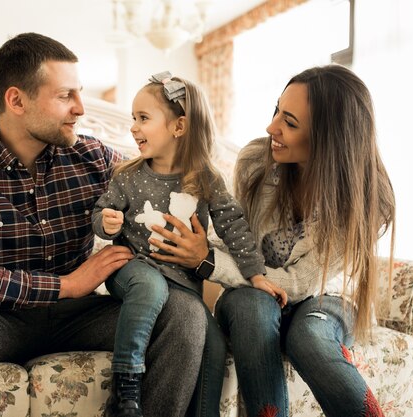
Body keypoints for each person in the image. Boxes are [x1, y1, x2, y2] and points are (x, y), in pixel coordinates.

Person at [0, 33, 208, 417]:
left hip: (79, 317)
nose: (81, 108)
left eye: (79, 93)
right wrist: (65, 285)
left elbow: (169, 178)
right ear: (16, 100)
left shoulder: (94, 157)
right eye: (65, 96)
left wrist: (200, 255)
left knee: (183, 313)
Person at [147, 65, 395, 416]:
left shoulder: (363, 199)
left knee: (309, 338)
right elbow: (233, 240)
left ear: (330, 138)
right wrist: (202, 249)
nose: (271, 127)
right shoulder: (254, 163)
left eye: (290, 123)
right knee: (253, 306)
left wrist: (208, 261)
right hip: (250, 297)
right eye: (277, 110)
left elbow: (298, 283)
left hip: (324, 299)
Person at [92, 72, 284, 417]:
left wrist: (256, 275)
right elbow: (101, 213)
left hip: (181, 285)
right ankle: (126, 386)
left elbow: (234, 228)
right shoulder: (127, 175)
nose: (133, 128)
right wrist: (106, 223)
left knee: (211, 343)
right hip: (132, 267)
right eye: (133, 119)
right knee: (149, 287)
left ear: (179, 127)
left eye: (143, 119)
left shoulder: (205, 178)